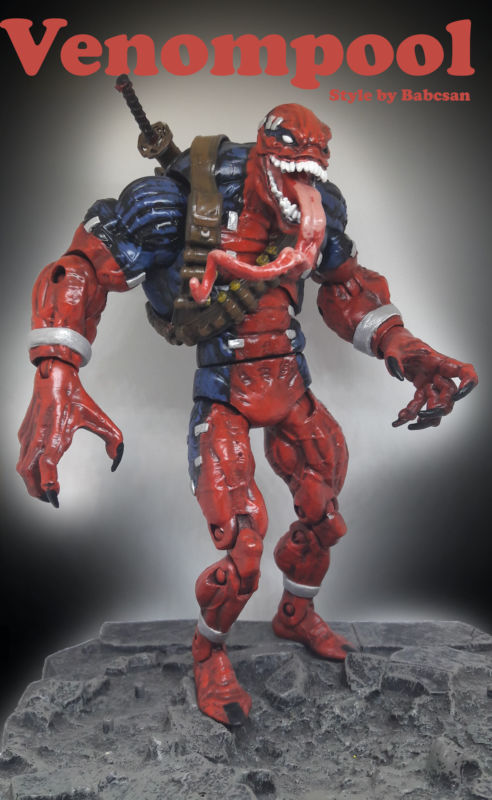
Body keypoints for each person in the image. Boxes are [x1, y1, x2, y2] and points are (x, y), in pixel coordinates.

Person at [17, 103, 478, 726]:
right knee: (242, 550)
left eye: (313, 166)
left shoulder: (318, 208)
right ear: (264, 152)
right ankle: (208, 653)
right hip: (224, 394)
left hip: (291, 385)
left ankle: (296, 613)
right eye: (290, 163)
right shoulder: (174, 206)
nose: (303, 181)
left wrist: (403, 345)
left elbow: (345, 284)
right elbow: (77, 269)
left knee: (323, 517)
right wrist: (56, 372)